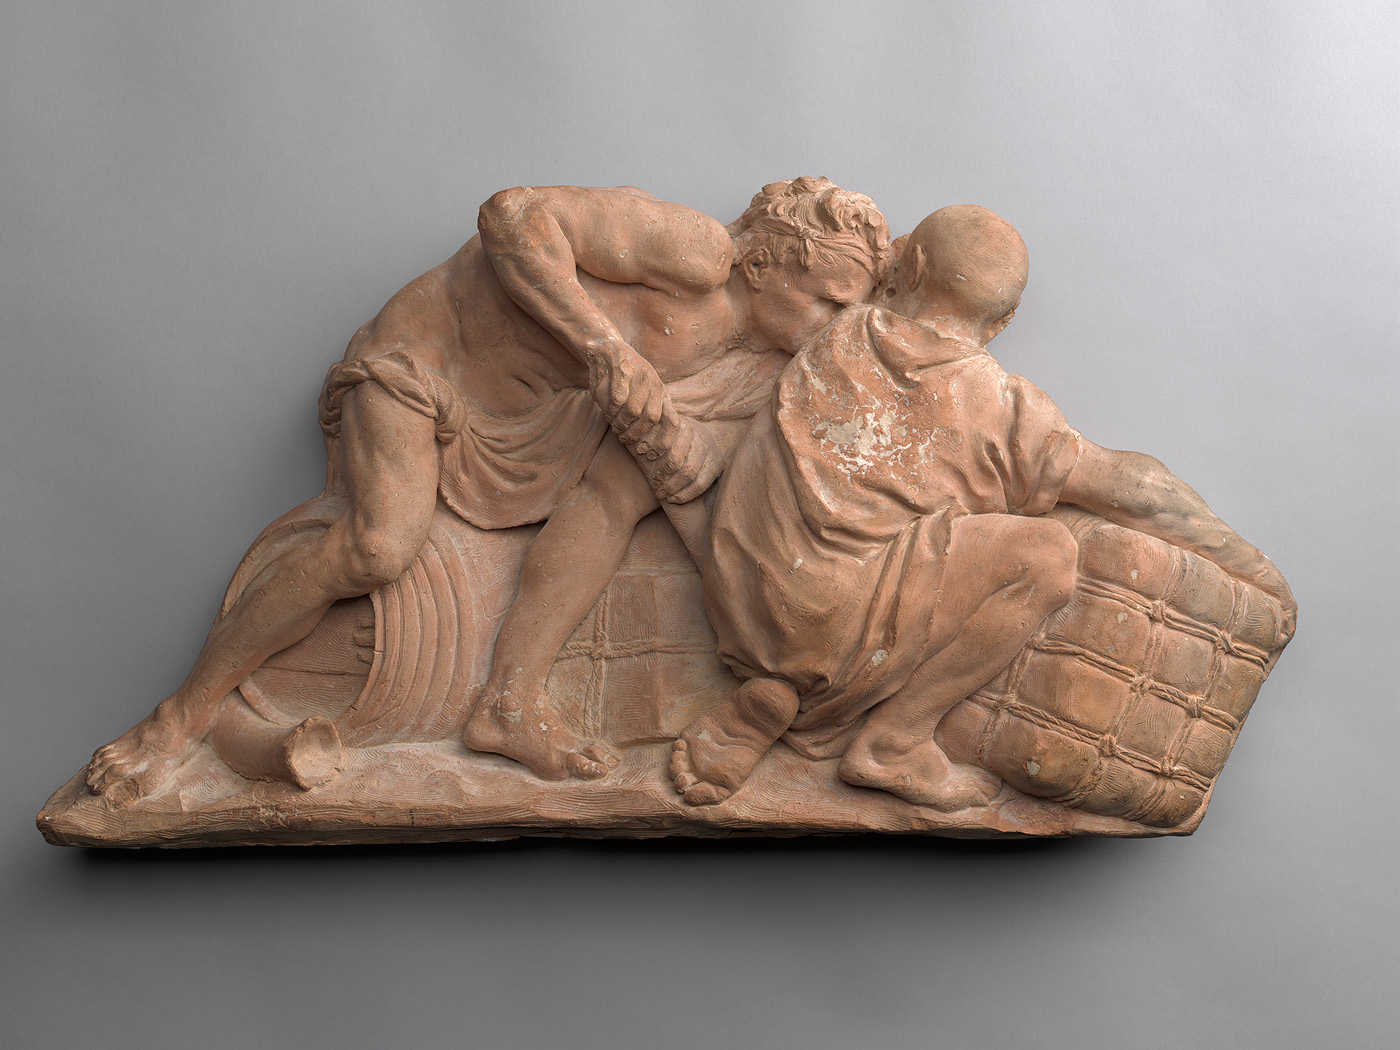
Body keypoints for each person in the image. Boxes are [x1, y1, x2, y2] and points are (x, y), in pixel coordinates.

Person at [85, 178, 890, 805]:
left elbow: (699, 491)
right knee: (378, 545)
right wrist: (605, 350)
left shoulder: (759, 370)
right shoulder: (698, 251)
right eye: (827, 299)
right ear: (763, 264)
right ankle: (176, 719)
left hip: (537, 420)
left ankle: (508, 703)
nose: (833, 324)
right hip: (429, 363)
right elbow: (512, 216)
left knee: (620, 494)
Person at [669, 205, 1297, 810]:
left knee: (859, 530)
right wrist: (1255, 570)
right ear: (1006, 318)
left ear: (909, 266)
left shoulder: (839, 333)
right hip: (837, 627)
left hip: (741, 600)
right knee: (1047, 553)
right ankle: (895, 741)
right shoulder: (1000, 408)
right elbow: (1137, 487)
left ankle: (772, 686)